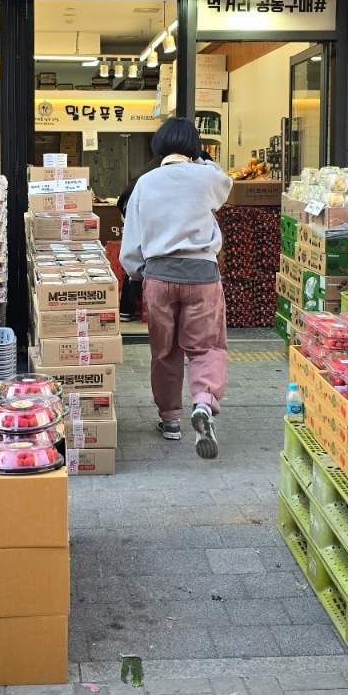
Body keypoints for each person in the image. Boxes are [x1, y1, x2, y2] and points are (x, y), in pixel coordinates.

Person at [120, 117, 233, 459]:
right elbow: (224, 182)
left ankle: (170, 419)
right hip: (202, 274)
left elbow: (133, 237)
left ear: (157, 147)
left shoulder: (145, 183)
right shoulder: (206, 177)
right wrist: (201, 159)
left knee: (164, 351)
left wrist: (137, 273)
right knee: (207, 347)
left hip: (158, 275)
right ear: (195, 148)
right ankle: (203, 403)